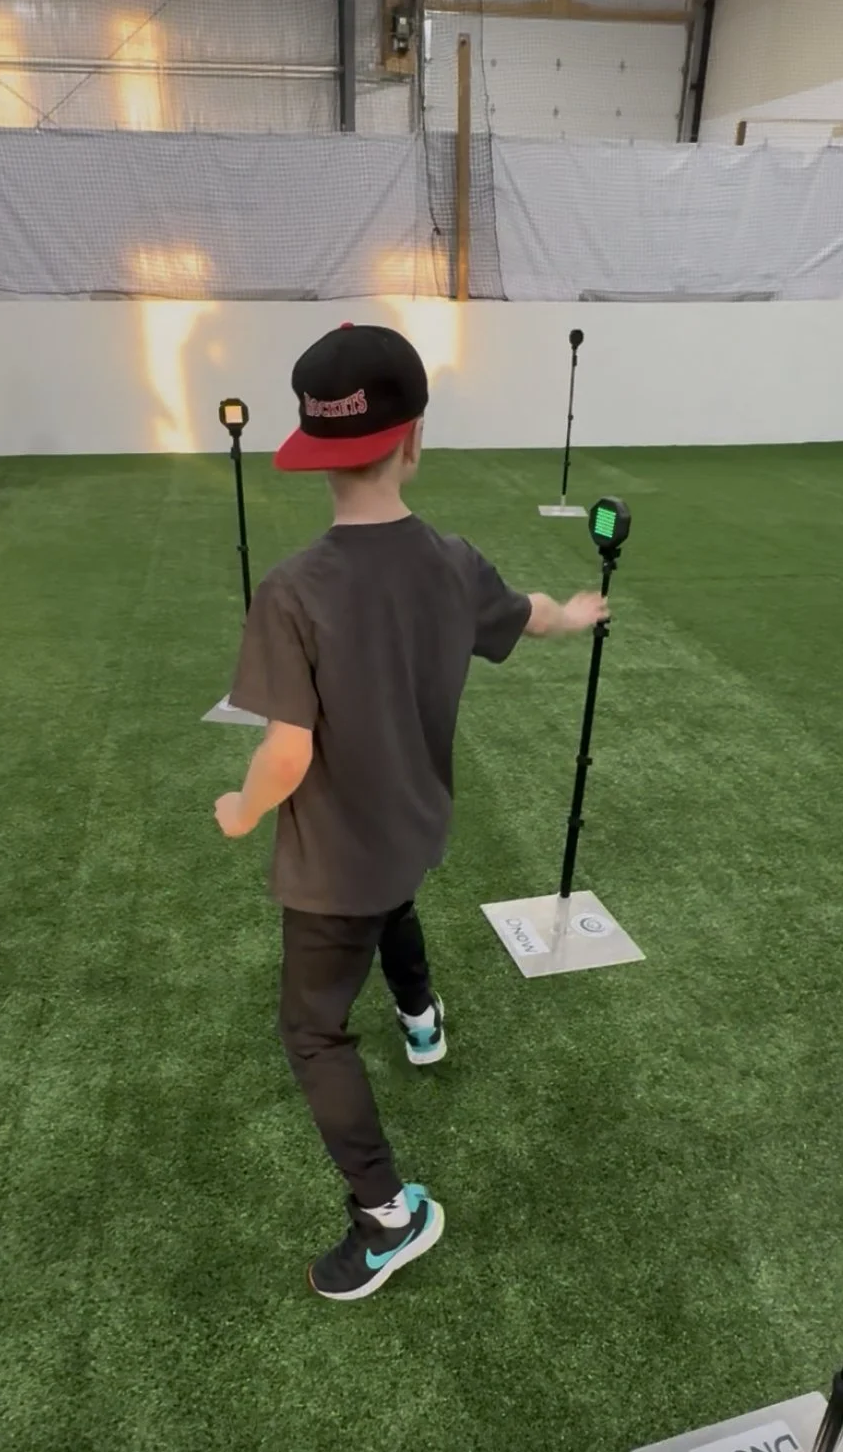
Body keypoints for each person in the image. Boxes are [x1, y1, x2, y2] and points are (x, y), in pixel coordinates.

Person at [214, 323, 609, 1301]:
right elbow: (531, 612)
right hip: (415, 827)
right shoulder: (452, 561)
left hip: (336, 859)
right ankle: (422, 1016)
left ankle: (390, 1216)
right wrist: (574, 611)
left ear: (314, 449)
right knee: (394, 899)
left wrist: (240, 809)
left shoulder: (291, 590)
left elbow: (286, 754)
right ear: (414, 438)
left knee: (312, 1030)